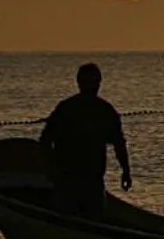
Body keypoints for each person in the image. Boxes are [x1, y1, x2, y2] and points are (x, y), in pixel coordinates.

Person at [37, 62, 131, 219]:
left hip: (91, 181)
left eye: (94, 82)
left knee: (92, 218)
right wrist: (50, 168)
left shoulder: (104, 111)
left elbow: (119, 144)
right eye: (87, 82)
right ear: (79, 83)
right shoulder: (67, 109)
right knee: (68, 217)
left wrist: (126, 171)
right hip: (67, 180)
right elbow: (45, 140)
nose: (91, 86)